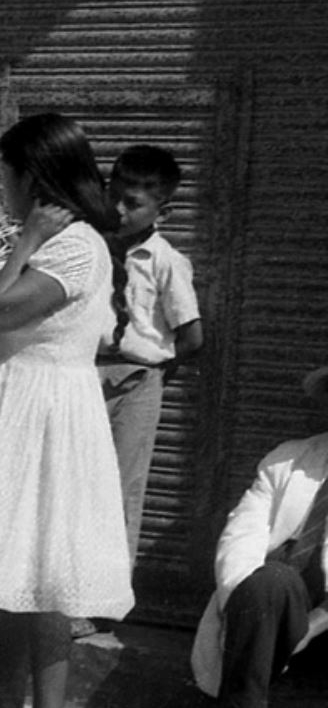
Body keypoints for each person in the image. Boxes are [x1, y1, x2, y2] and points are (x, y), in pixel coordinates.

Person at [0, 113, 134, 708]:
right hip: (13, 403)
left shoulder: (74, 245)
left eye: (9, 172)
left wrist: (23, 240)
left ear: (35, 176)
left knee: (46, 571)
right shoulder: (47, 238)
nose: (2, 183)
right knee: (12, 567)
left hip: (49, 413)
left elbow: (3, 310)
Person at [192, 367, 328, 708]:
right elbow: (241, 537)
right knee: (268, 578)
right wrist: (250, 609)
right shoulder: (289, 459)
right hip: (276, 611)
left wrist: (315, 623)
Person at [98, 144, 203, 565]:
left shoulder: (166, 262)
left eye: (133, 204)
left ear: (164, 211)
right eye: (114, 198)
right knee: (79, 481)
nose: (119, 211)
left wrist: (155, 371)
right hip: (87, 375)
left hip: (138, 382)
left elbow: (192, 336)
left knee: (122, 488)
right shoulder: (94, 248)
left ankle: (107, 600)